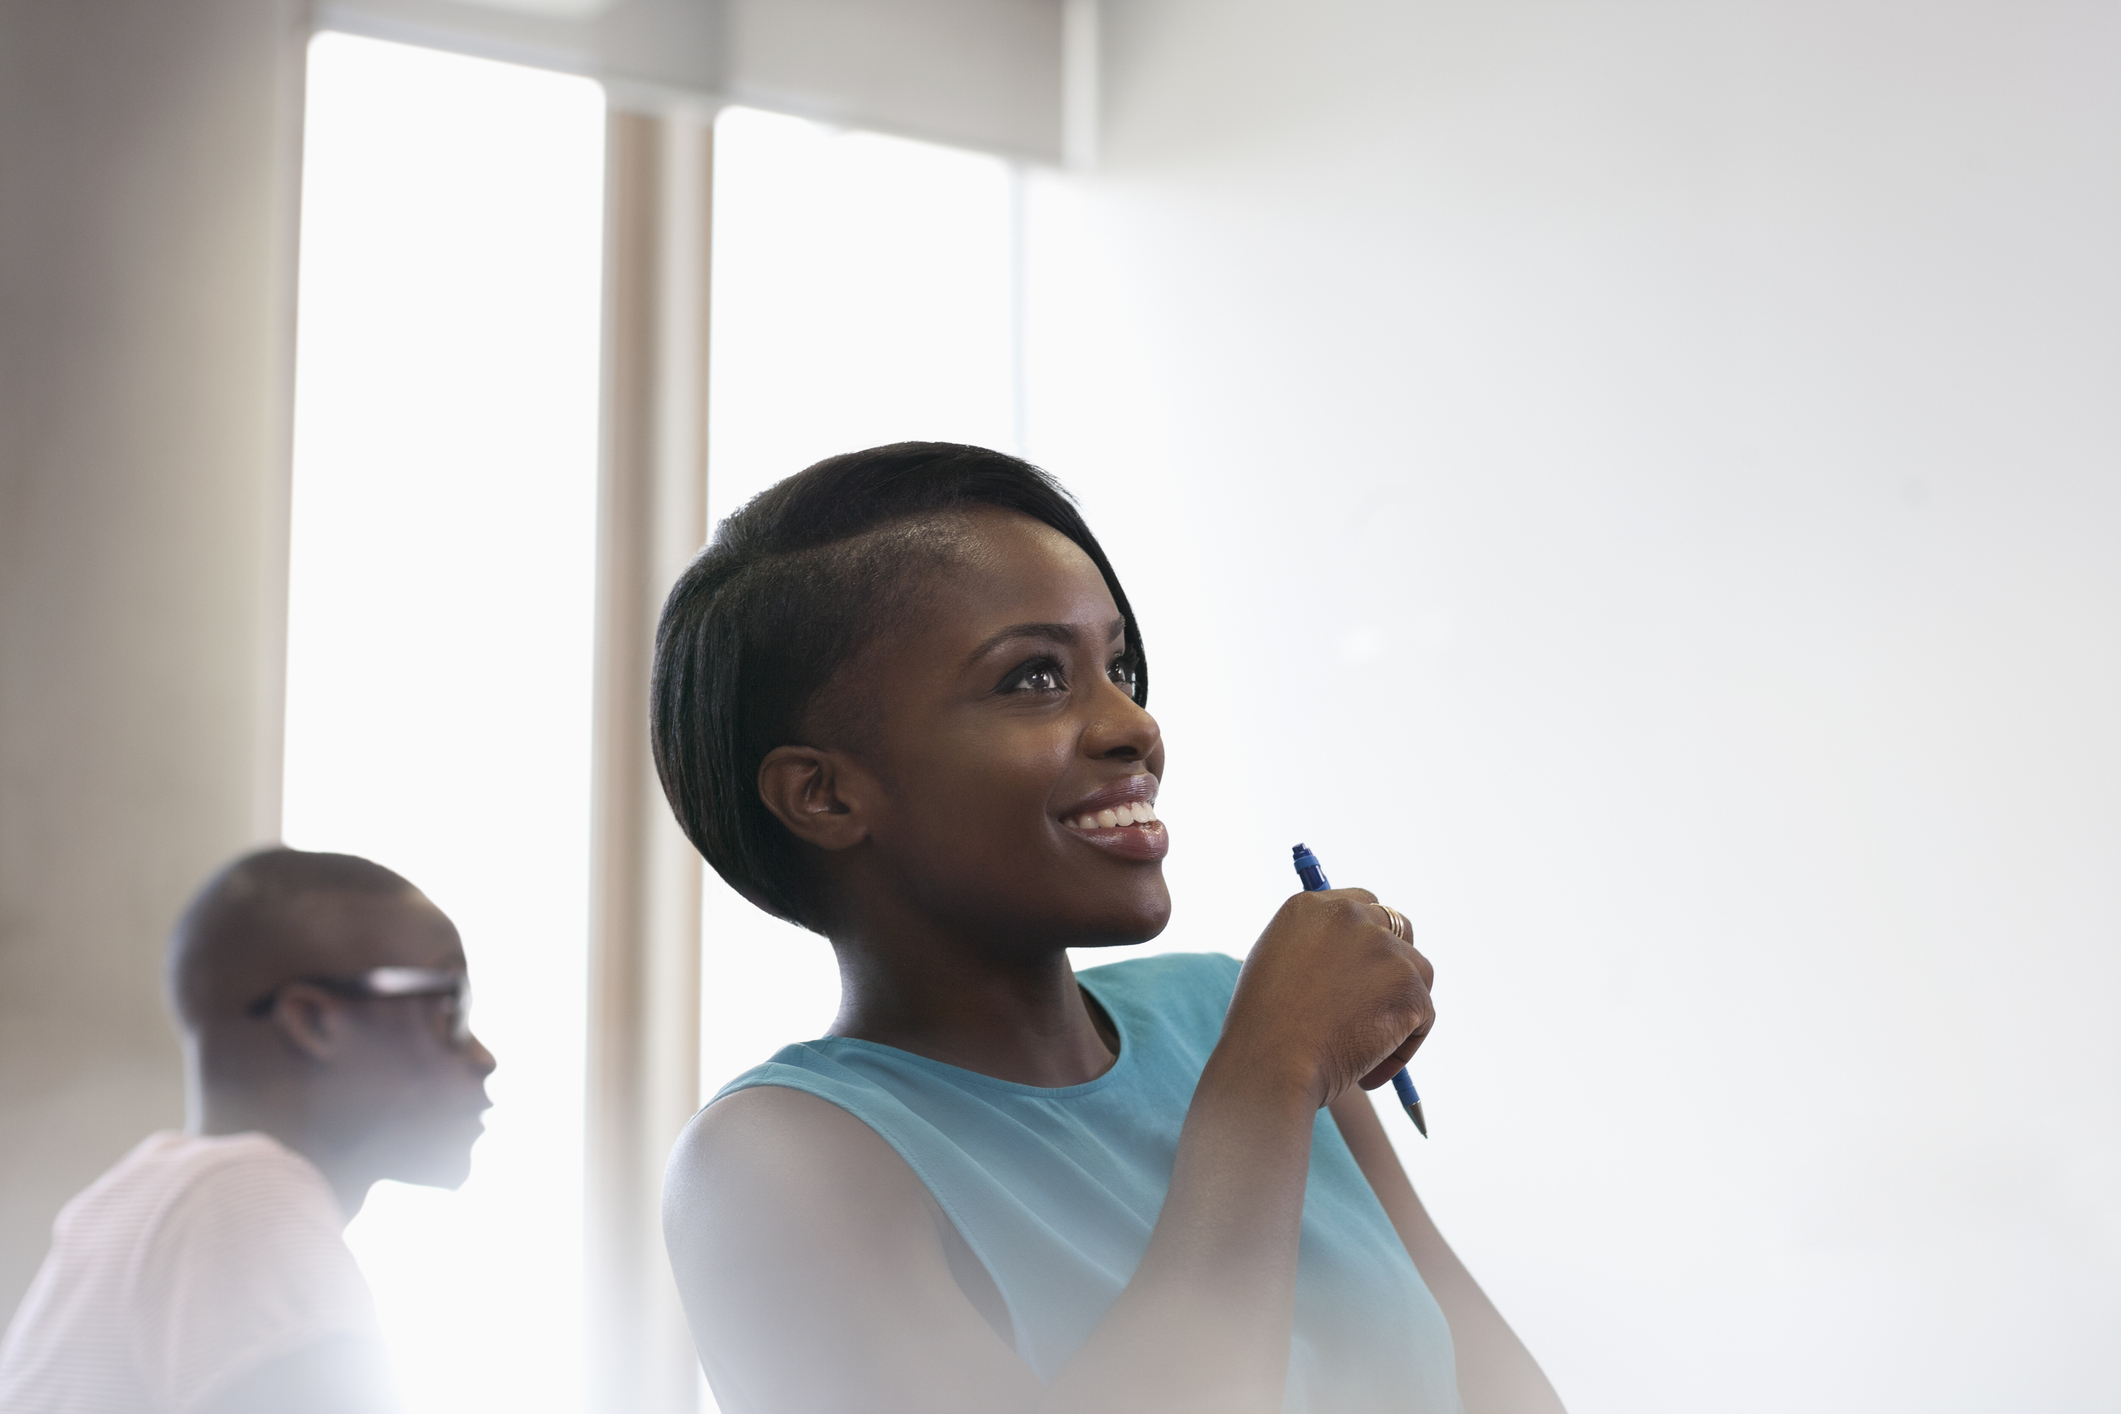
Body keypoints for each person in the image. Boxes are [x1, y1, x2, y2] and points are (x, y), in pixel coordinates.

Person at [653, 442, 1566, 1413]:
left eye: (1119, 664)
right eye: (1034, 678)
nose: (1133, 722)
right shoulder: (771, 1165)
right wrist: (1267, 1077)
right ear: (824, 794)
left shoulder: (1225, 1006)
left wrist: (1269, 1054)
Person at [0, 848, 496, 1414]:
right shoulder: (240, 1195)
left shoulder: (159, 1199)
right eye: (449, 1009)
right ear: (313, 1020)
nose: (484, 1057)